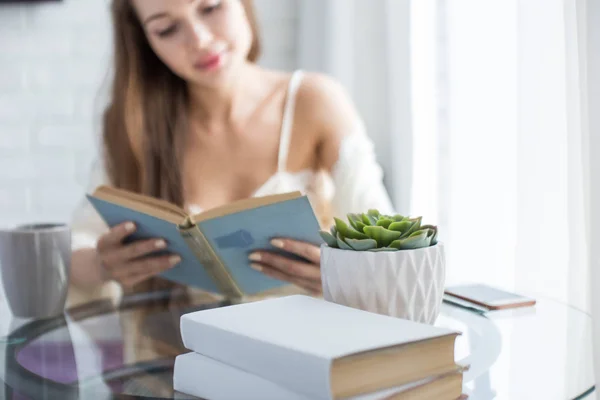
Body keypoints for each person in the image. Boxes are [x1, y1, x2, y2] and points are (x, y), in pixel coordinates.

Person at [68, 0, 394, 307]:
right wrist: (102, 265)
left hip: (311, 349)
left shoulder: (315, 102)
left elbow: (392, 250)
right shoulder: (133, 124)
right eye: (166, 29)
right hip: (179, 352)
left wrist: (343, 273)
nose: (200, 40)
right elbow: (76, 247)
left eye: (210, 7)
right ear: (143, 41)